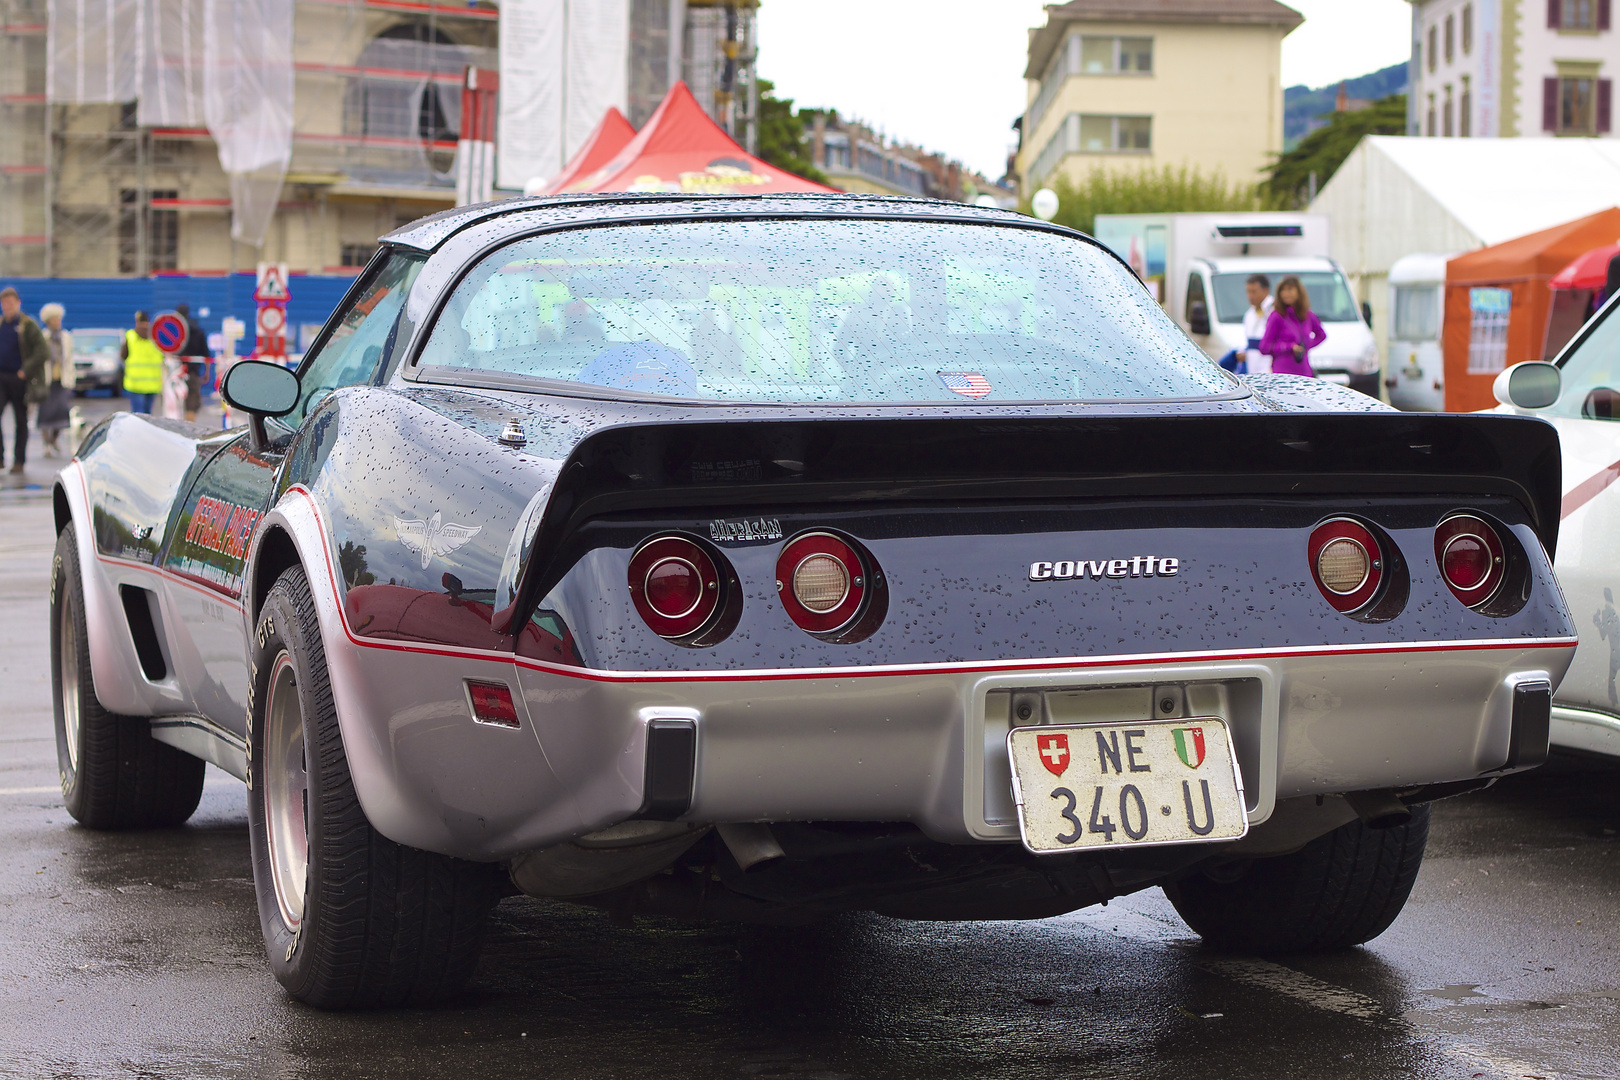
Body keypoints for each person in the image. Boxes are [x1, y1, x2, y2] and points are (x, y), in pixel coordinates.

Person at [0, 286, 49, 474]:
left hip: (20, 380)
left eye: (10, 303)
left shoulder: (28, 325)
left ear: (18, 304)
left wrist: (25, 370)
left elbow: (42, 351)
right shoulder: (1, 323)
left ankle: (19, 461)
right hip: (1, 378)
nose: (7, 307)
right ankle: (1, 458)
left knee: (21, 420)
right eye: (4, 303)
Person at [1259, 275, 1326, 378]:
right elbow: (1264, 347)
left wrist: (1306, 346)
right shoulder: (1277, 316)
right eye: (1283, 291)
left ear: (1298, 292)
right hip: (1283, 374)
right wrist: (1289, 347)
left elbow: (1321, 335)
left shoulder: (1307, 315)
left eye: (1289, 290)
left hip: (1304, 373)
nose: (1286, 294)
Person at [36, 302, 74, 456]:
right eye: (55, 319)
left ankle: (54, 439)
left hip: (62, 379)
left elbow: (70, 358)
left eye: (59, 318)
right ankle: (46, 443)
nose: (58, 321)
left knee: (61, 412)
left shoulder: (66, 337)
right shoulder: (43, 337)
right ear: (48, 320)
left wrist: (72, 379)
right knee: (45, 413)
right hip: (46, 380)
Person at [173, 302, 211, 422]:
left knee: (175, 402)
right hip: (193, 372)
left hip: (175, 373)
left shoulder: (173, 331)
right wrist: (207, 372)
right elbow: (206, 354)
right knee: (192, 402)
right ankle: (189, 425)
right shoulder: (198, 331)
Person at [120, 311, 164, 414]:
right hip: (153, 383)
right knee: (148, 415)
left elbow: (123, 356)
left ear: (137, 321)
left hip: (135, 383)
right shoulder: (156, 335)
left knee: (138, 415)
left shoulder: (130, 336)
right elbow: (163, 355)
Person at [1242, 274, 1274, 374]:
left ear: (1266, 290)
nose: (1250, 296)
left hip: (1271, 372)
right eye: (1248, 292)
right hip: (1253, 372)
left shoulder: (1275, 312)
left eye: (1254, 292)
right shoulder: (1249, 315)